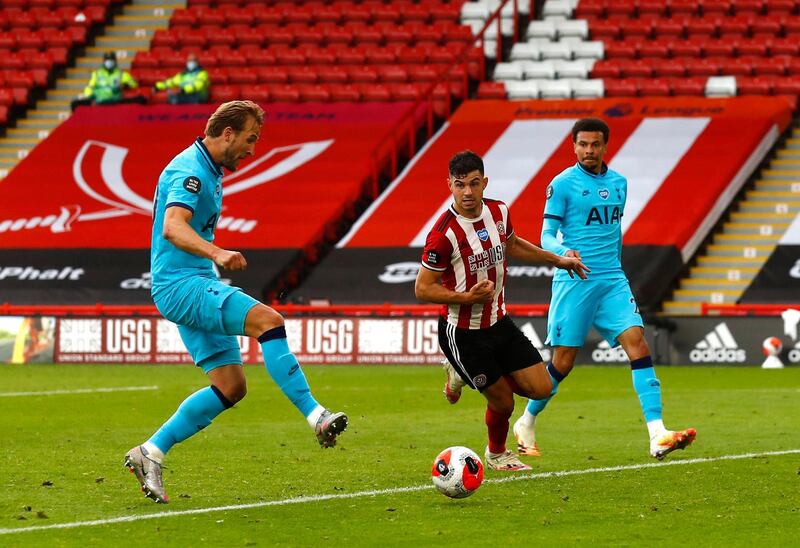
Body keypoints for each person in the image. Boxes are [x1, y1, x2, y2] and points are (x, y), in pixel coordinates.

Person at [124, 100, 348, 504]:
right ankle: (317, 416)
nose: (252, 149)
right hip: (181, 284)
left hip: (189, 281)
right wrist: (216, 253)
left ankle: (150, 452)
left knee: (230, 386)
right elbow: (174, 228)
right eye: (250, 139)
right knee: (268, 319)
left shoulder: (207, 168)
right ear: (227, 134)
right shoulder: (190, 172)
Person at [511, 118, 696, 460]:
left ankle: (657, 433)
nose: (589, 150)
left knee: (637, 343)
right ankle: (526, 420)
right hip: (575, 280)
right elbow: (546, 235)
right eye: (583, 144)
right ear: (574, 146)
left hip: (612, 279)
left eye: (595, 144)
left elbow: (612, 232)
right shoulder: (562, 184)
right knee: (562, 363)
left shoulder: (619, 183)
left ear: (605, 146)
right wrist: (562, 252)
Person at [415, 150, 588, 472]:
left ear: (485, 183)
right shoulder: (443, 235)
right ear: (449, 186)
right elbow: (422, 288)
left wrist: (558, 260)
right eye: (460, 185)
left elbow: (513, 245)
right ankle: (497, 453)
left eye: (474, 183)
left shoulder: (499, 211)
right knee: (504, 402)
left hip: (499, 322)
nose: (467, 192)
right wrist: (466, 297)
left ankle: (463, 374)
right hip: (462, 332)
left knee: (542, 388)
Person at [71, 52, 146, 110]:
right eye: (107, 60)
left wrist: (124, 85)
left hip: (115, 101)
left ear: (115, 61)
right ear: (104, 61)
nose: (109, 62)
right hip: (99, 100)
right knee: (75, 104)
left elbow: (134, 84)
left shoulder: (121, 74)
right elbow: (89, 87)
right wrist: (90, 97)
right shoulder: (96, 74)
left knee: (141, 99)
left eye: (111, 60)